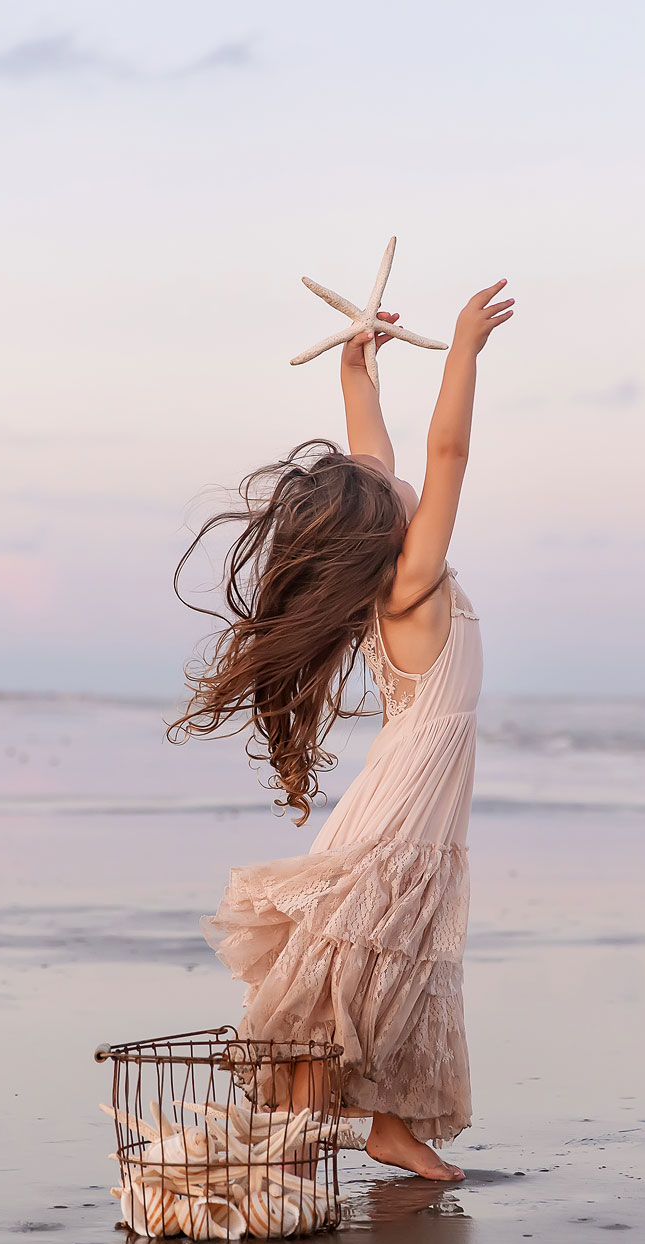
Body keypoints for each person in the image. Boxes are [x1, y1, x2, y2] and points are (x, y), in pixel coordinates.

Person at [169, 278, 514, 1181]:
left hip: (416, 797)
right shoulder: (410, 585)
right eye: (392, 489)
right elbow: (446, 456)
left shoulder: (391, 574)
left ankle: (388, 1124)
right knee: (367, 957)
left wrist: (356, 378)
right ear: (392, 526)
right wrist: (466, 352)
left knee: (402, 955)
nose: (396, 475)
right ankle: (292, 1132)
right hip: (405, 810)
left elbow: (383, 459)